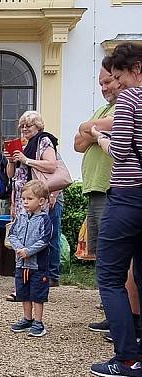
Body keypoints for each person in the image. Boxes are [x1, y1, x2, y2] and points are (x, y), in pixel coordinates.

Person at [90, 42, 142, 377]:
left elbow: (121, 151)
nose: (117, 83)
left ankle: (127, 359)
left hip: (127, 197)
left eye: (119, 75)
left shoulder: (129, 100)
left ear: (136, 68)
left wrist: (99, 136)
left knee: (110, 277)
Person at [4, 110, 63, 293]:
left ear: (38, 126)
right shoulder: (24, 144)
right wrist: (11, 161)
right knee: (24, 237)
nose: (24, 129)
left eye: (28, 125)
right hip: (25, 198)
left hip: (41, 197)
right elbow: (11, 175)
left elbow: (51, 165)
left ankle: (46, 277)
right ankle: (25, 279)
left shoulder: (44, 141)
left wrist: (26, 160)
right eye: (22, 126)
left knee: (43, 237)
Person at [74, 61, 121, 258]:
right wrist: (95, 131)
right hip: (94, 188)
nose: (103, 88)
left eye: (108, 82)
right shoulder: (102, 110)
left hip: (110, 187)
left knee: (113, 250)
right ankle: (104, 288)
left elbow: (87, 130)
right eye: (100, 84)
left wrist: (89, 129)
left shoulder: (124, 107)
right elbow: (78, 143)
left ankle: (117, 288)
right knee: (97, 251)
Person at [8, 180, 53, 338]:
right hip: (21, 264)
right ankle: (27, 318)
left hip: (38, 266)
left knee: (37, 294)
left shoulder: (44, 220)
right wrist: (19, 248)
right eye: (23, 199)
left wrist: (29, 251)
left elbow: (44, 239)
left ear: (41, 201)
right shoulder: (20, 217)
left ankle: (39, 322)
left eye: (29, 199)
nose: (25, 202)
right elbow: (12, 234)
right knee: (23, 292)